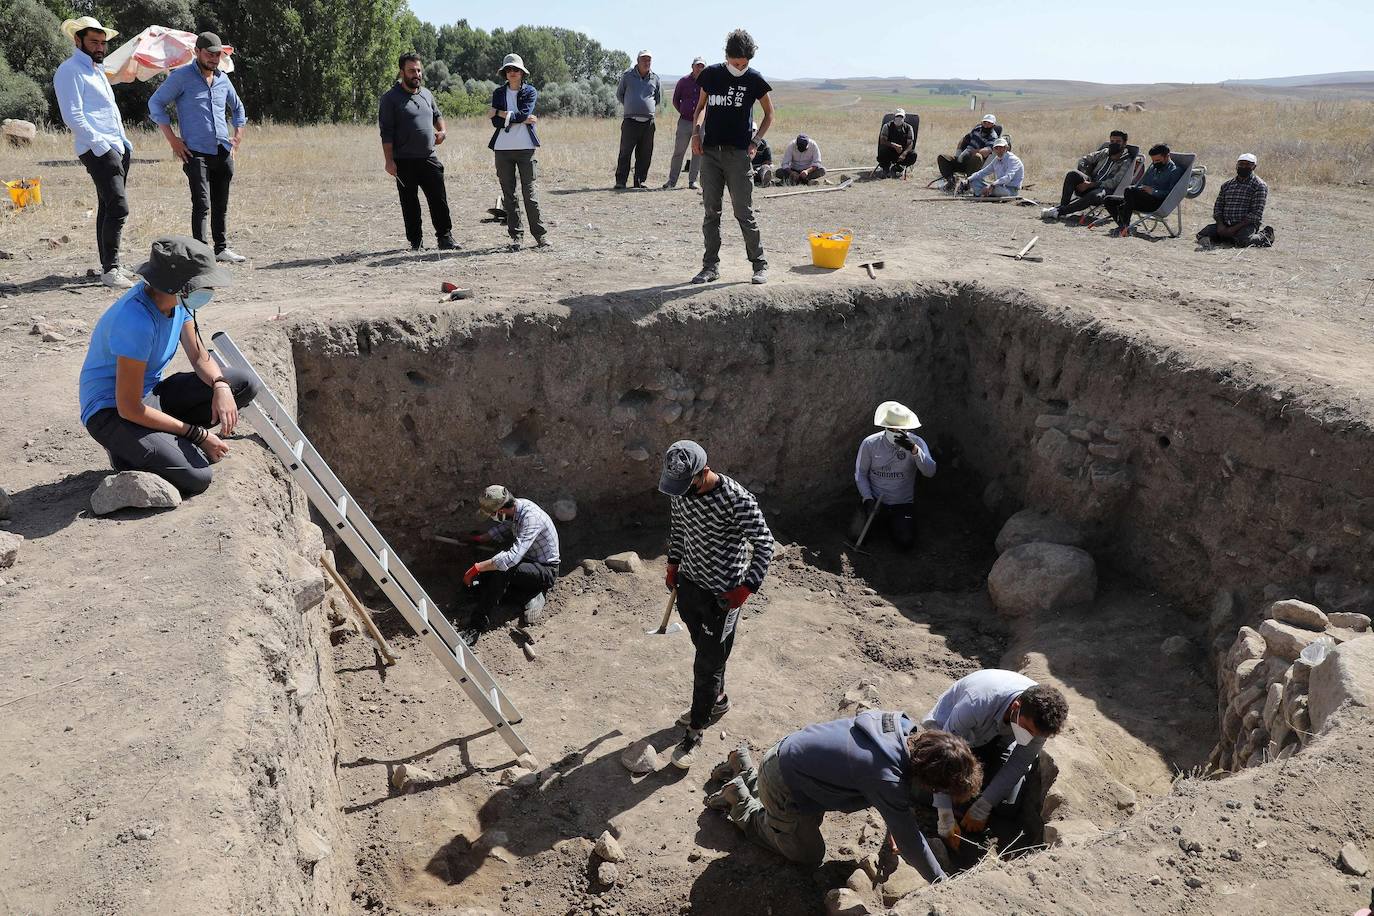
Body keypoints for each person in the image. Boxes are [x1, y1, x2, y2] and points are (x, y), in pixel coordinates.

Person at [705, 711, 982, 883]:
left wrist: (897, 823)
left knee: (784, 804)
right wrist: (942, 885)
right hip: (785, 784)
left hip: (792, 757)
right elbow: (912, 843)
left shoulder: (903, 728)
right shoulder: (884, 776)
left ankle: (743, 764)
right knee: (809, 855)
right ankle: (740, 801)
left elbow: (900, 800)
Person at [78, 236, 259, 495]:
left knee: (242, 384)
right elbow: (128, 407)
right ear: (179, 286)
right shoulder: (135, 321)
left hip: (149, 396)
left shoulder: (177, 302)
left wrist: (220, 386)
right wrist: (197, 435)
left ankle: (161, 443)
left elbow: (198, 356)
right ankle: (125, 452)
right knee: (197, 476)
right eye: (203, 285)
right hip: (112, 412)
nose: (210, 291)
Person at [659, 440, 774, 769]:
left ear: (703, 472)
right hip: (690, 585)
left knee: (706, 665)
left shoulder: (736, 499)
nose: (679, 493)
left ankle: (695, 732)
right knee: (705, 651)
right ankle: (718, 701)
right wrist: (673, 564)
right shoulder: (681, 493)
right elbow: (679, 529)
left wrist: (746, 588)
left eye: (686, 485)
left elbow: (764, 544)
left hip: (724, 596)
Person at [920, 670, 1069, 851]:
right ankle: (952, 805)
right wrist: (944, 815)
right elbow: (942, 756)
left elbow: (1019, 762)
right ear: (1015, 706)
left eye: (1036, 735)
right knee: (927, 786)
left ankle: (970, 801)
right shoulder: (976, 703)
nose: (1031, 737)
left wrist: (983, 807)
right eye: (1028, 729)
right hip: (950, 740)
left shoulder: (1039, 721)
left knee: (1007, 806)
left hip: (996, 740)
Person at [148, 32, 249, 264]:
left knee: (220, 203)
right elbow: (155, 103)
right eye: (210, 54)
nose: (214, 59)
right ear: (197, 52)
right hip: (194, 151)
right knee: (202, 203)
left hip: (222, 150)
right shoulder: (181, 77)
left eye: (218, 55)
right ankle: (201, 254)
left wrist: (237, 137)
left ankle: (221, 248)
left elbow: (239, 109)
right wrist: (172, 139)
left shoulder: (224, 79)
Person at [53, 17, 134, 289]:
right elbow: (73, 116)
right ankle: (111, 270)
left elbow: (109, 111)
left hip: (116, 146)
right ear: (78, 40)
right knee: (119, 208)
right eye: (93, 42)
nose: (100, 47)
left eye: (102, 43)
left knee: (108, 205)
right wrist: (102, 146)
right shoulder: (70, 70)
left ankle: (108, 266)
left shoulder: (97, 70)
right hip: (97, 148)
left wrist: (124, 142)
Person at [689, 29, 774, 285]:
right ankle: (710, 267)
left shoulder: (754, 80)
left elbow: (770, 114)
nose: (740, 67)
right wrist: (695, 133)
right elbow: (700, 108)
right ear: (727, 57)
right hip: (711, 153)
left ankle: (759, 265)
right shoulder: (712, 74)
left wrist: (755, 143)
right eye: (736, 63)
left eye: (745, 63)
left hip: (738, 155)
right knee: (711, 212)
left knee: (743, 212)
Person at [459, 485, 560, 644]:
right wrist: (480, 539)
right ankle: (527, 595)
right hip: (527, 561)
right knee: (491, 575)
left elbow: (511, 559)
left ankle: (476, 625)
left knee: (503, 569)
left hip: (545, 570)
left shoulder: (531, 517)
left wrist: (477, 568)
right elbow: (505, 527)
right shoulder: (516, 509)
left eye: (492, 514)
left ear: (501, 511)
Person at [379, 53, 457, 251]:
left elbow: (438, 116)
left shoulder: (427, 94)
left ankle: (445, 239)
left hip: (428, 158)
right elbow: (386, 133)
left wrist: (443, 131)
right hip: (403, 161)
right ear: (402, 72)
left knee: (439, 200)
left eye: (419, 70)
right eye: (412, 71)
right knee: (410, 204)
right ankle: (416, 242)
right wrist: (389, 161)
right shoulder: (390, 99)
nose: (417, 74)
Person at [852, 401, 937, 551]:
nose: (897, 433)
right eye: (893, 429)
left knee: (905, 542)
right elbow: (861, 474)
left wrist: (915, 451)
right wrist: (867, 498)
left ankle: (895, 524)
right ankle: (878, 522)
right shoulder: (870, 444)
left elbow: (930, 472)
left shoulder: (916, 443)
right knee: (856, 535)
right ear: (885, 427)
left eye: (901, 430)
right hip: (875, 502)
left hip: (902, 504)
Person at [487, 53, 549, 251]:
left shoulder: (530, 91)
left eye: (515, 69)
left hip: (525, 148)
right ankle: (516, 237)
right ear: (504, 73)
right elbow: (496, 122)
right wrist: (517, 117)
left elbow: (523, 112)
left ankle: (540, 237)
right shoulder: (498, 92)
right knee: (509, 194)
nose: (512, 73)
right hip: (502, 149)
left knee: (529, 193)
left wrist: (501, 113)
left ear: (522, 73)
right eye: (508, 70)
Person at [1041, 129, 1134, 221]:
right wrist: (1085, 175)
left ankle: (1059, 211)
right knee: (1072, 174)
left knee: (1095, 195)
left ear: (1125, 143)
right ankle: (1063, 206)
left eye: (1118, 142)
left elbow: (1115, 182)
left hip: (1105, 190)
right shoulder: (1105, 152)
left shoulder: (1126, 161)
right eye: (1112, 141)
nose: (1114, 144)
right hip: (1089, 182)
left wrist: (1091, 184)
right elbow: (1084, 160)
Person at [1197, 153, 1273, 249]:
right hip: (1225, 224)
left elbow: (1256, 214)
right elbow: (1218, 207)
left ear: (1254, 167)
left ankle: (1265, 236)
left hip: (1245, 225)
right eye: (1241, 164)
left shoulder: (1259, 185)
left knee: (1243, 242)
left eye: (1248, 164)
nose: (1244, 167)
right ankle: (1228, 237)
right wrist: (1221, 226)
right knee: (1202, 234)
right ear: (1237, 165)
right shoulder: (1227, 185)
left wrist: (1233, 229)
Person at [1105, 143, 1179, 237]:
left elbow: (1171, 194)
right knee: (1108, 200)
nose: (1155, 163)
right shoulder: (1153, 166)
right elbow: (1140, 184)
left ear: (1167, 156)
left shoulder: (1174, 171)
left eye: (1158, 160)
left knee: (1129, 190)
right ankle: (1123, 227)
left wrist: (1153, 191)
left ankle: (1125, 225)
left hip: (1156, 203)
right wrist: (1140, 189)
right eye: (1153, 160)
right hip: (1142, 199)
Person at [615, 50, 661, 189]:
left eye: (649, 60)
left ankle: (640, 181)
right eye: (644, 60)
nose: (647, 63)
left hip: (648, 123)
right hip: (630, 121)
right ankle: (621, 181)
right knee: (625, 152)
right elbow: (620, 94)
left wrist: (646, 108)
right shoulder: (628, 76)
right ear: (638, 61)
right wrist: (631, 105)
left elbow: (657, 99)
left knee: (645, 154)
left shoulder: (655, 78)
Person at [664, 56, 706, 190]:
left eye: (702, 66)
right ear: (692, 66)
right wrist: (684, 111)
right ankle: (672, 181)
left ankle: (693, 181)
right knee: (679, 151)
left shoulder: (707, 82)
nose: (699, 68)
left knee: (697, 152)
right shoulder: (683, 81)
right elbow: (676, 100)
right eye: (697, 65)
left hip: (700, 124)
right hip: (685, 121)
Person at [936, 114, 1006, 189]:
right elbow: (965, 138)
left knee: (977, 156)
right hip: (963, 157)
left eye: (989, 123)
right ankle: (951, 181)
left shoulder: (993, 137)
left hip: (974, 165)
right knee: (942, 157)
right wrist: (959, 152)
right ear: (982, 122)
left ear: (993, 125)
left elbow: (986, 152)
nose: (986, 125)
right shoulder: (977, 128)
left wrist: (971, 152)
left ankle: (968, 183)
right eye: (984, 122)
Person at [876, 109, 917, 178]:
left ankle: (896, 168)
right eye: (897, 116)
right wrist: (894, 145)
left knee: (913, 155)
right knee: (882, 150)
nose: (899, 118)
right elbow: (882, 141)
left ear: (904, 118)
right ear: (894, 117)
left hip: (902, 152)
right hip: (890, 151)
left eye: (901, 117)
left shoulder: (909, 128)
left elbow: (910, 143)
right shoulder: (887, 126)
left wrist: (904, 153)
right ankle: (885, 168)